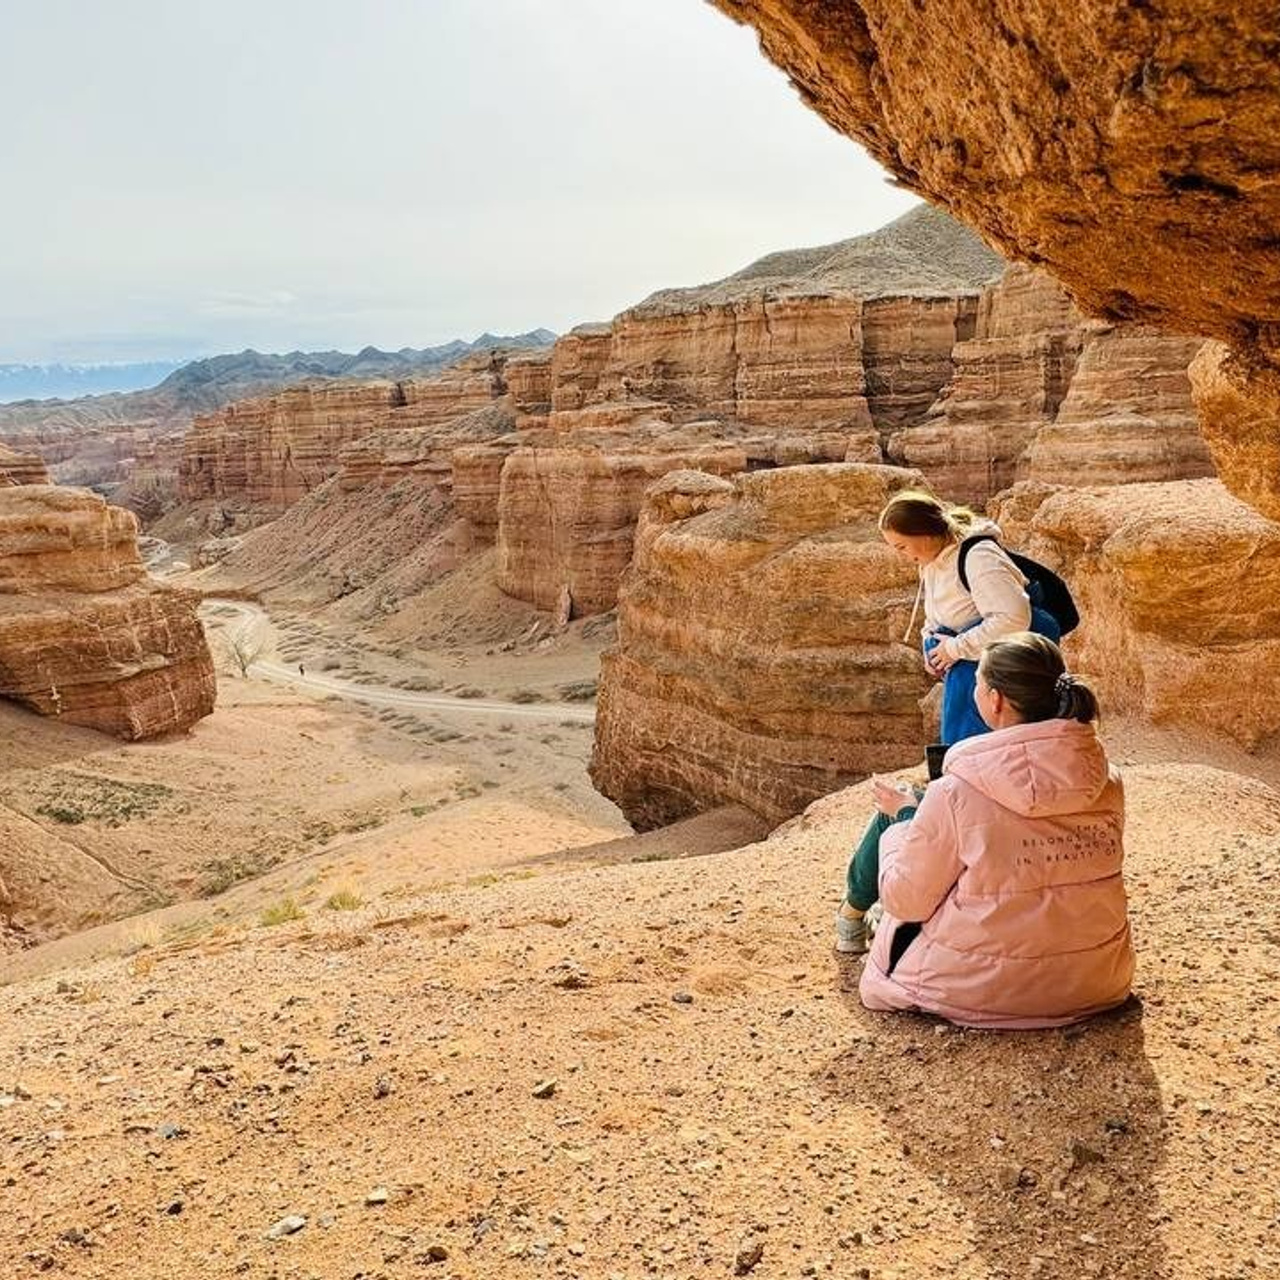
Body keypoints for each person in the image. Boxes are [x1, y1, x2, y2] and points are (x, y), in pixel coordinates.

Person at [846, 632, 1133, 1029]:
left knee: (903, 855)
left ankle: (851, 917)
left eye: (978, 683)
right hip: (1096, 981)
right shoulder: (1108, 780)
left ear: (995, 699)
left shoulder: (956, 791)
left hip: (977, 990)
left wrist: (903, 823)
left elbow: (906, 900)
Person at [879, 489, 1061, 747]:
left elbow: (1013, 619)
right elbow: (938, 613)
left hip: (997, 662)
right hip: (970, 659)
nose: (902, 555)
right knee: (970, 743)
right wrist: (929, 646)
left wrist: (953, 649)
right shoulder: (932, 561)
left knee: (985, 742)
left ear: (924, 532)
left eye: (901, 546)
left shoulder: (978, 557)